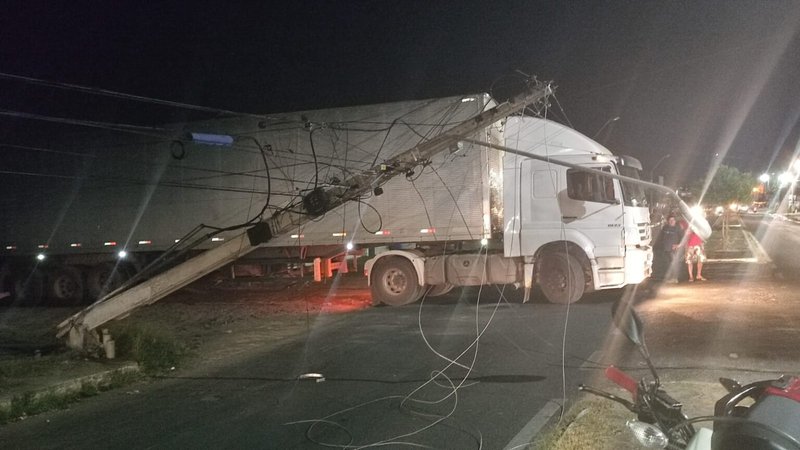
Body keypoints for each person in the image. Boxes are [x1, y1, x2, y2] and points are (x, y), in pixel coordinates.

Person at [659, 215, 683, 283]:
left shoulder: (678, 228)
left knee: (674, 263)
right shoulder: (665, 228)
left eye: (673, 220)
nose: (672, 221)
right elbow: (661, 237)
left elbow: (682, 238)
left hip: (674, 250)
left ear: (675, 221)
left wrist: (678, 245)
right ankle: (669, 278)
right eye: (670, 220)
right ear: (668, 221)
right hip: (666, 249)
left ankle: (675, 278)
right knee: (668, 264)